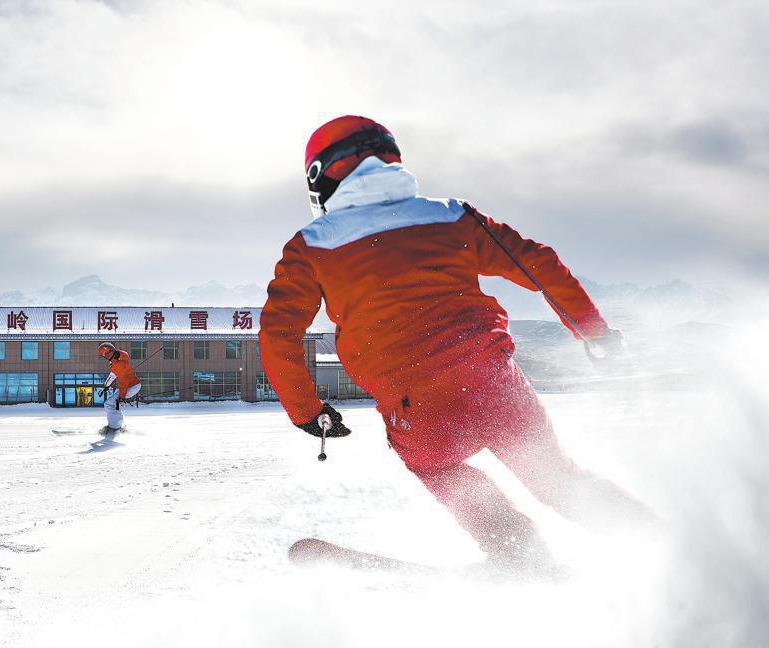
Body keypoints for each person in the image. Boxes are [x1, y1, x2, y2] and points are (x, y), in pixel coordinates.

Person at [259, 115, 653, 569]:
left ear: (320, 177)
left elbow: (278, 336)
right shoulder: (451, 216)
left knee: (438, 467)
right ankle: (665, 544)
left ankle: (519, 555)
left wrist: (308, 412)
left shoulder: (311, 247)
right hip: (495, 386)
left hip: (418, 411)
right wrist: (594, 333)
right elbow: (540, 264)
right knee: (560, 481)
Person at [97, 342, 141, 434]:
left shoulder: (118, 364)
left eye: (105, 354)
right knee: (115, 404)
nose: (105, 356)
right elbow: (113, 375)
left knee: (109, 404)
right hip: (131, 385)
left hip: (131, 386)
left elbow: (123, 382)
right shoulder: (119, 358)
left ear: (110, 352)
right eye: (103, 355)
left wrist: (122, 397)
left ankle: (114, 428)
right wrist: (106, 386)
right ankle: (118, 424)